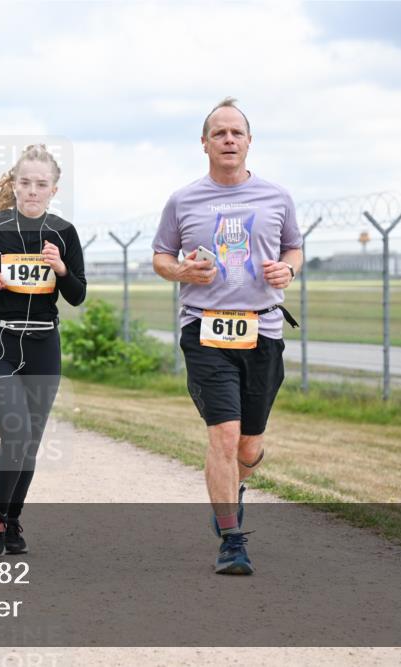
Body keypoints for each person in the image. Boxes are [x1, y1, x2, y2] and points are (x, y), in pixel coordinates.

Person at [152, 97, 303, 575]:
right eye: (219, 133)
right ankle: (232, 541)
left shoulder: (277, 197)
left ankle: (231, 490)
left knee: (249, 446)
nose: (229, 140)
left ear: (250, 141)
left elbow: (295, 248)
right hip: (205, 328)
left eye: (237, 132)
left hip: (264, 329)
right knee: (224, 435)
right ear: (204, 143)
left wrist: (288, 270)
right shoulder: (183, 200)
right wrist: (181, 271)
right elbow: (161, 257)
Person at [0, 144, 86, 557]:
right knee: (16, 433)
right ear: (14, 185)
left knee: (31, 442)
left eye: (41, 184)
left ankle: (12, 520)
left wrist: (61, 268)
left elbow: (77, 294)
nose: (32, 190)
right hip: (1, 343)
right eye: (25, 182)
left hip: (45, 344)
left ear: (54, 190)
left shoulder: (63, 232)